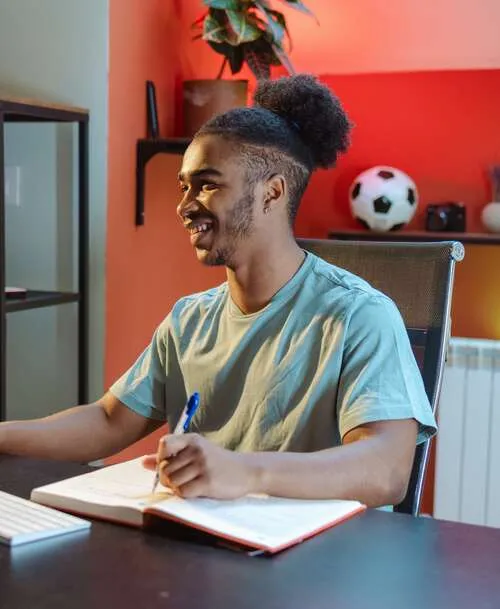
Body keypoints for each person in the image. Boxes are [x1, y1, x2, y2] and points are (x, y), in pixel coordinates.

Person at [0, 75, 436, 507]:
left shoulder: (359, 315)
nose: (184, 206)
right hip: (204, 539)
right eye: (184, 187)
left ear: (272, 193)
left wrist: (246, 472)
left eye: (207, 184)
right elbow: (109, 421)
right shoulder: (189, 319)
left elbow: (386, 471)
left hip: (317, 548)